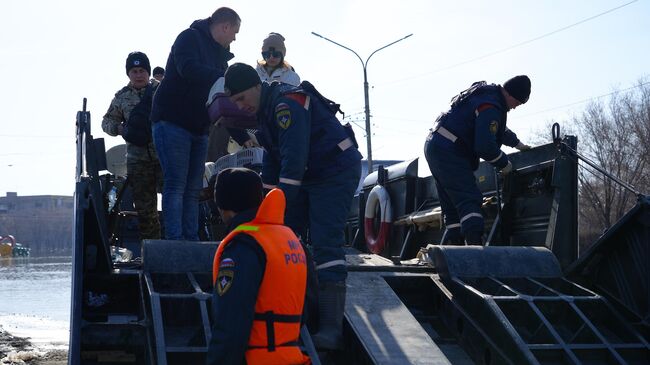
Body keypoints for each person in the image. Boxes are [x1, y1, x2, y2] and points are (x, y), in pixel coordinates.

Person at [223, 63, 362, 350]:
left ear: (256, 86)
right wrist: (264, 201)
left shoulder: (288, 103)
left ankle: (331, 329)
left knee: (326, 244)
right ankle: (299, 313)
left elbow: (294, 160)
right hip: (310, 173)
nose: (240, 106)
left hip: (333, 171)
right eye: (235, 102)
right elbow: (275, 160)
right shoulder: (264, 112)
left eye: (241, 98)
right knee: (289, 240)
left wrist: (277, 206)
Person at [150, 7, 240, 240]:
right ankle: (174, 240)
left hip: (199, 128)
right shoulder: (189, 38)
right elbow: (187, 68)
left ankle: (190, 239)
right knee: (176, 183)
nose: (234, 38)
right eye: (235, 32)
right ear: (225, 26)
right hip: (172, 121)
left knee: (193, 188)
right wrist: (222, 77)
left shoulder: (221, 57)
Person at [207, 167, 310, 365]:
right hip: (292, 356)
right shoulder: (291, 240)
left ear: (222, 206)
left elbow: (231, 321)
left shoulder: (243, 246)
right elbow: (308, 304)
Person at [424, 75, 533, 245]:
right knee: (470, 200)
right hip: (450, 150)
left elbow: (495, 128)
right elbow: (485, 146)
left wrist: (517, 143)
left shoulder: (486, 97)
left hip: (436, 146)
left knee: (452, 206)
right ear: (511, 95)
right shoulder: (491, 105)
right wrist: (504, 164)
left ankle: (454, 251)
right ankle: (474, 251)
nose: (515, 107)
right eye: (518, 103)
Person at [101, 51, 162, 240]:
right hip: (137, 160)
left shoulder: (161, 90)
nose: (138, 75)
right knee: (145, 210)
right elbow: (106, 122)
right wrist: (119, 129)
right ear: (128, 74)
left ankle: (175, 245)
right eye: (134, 71)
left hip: (164, 156)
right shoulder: (121, 97)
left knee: (174, 200)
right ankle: (152, 249)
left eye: (142, 70)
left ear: (148, 72)